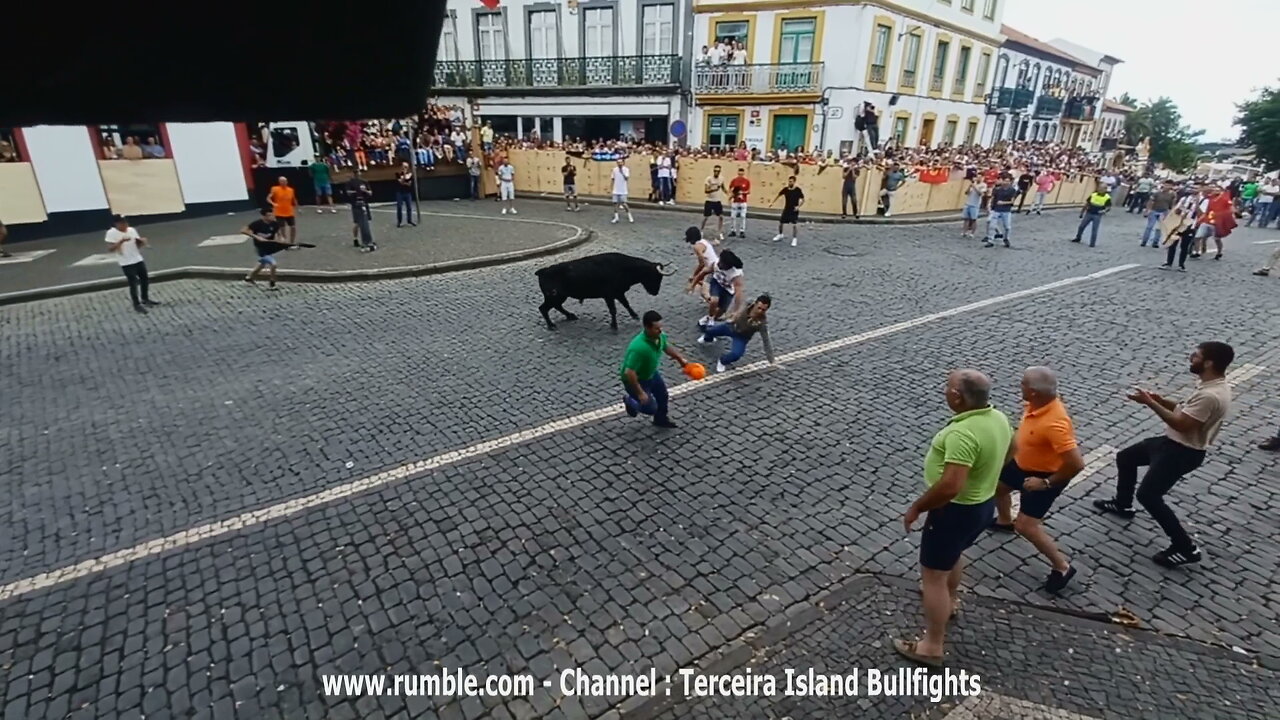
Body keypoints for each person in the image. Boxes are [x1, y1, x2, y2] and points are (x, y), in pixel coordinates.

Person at [897, 370, 1012, 666]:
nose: (944, 391)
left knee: (933, 576)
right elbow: (1013, 450)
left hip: (954, 511)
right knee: (953, 556)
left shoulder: (962, 433)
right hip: (982, 506)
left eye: (947, 388)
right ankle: (952, 601)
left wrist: (917, 508)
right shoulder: (997, 418)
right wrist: (986, 475)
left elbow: (950, 486)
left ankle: (931, 646)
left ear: (958, 397)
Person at [1093, 341, 1234, 568]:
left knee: (1149, 496)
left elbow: (1181, 424)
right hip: (1170, 444)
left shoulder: (1211, 395)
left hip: (1181, 452)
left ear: (1208, 362)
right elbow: (1184, 409)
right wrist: (1160, 400)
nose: (1191, 357)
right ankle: (1123, 504)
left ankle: (1186, 548)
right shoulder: (1210, 386)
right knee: (1126, 457)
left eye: (1195, 356)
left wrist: (1150, 404)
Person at [989, 367, 1084, 593]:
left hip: (1044, 475)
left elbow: (1076, 464)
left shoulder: (1054, 424)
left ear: (1032, 392)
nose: (1019, 386)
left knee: (1027, 526)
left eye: (1022, 384)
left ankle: (1061, 566)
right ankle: (1004, 521)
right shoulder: (1037, 405)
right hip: (1021, 463)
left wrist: (1047, 483)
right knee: (997, 488)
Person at [619, 310, 691, 429]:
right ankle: (630, 401)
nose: (660, 331)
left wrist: (680, 359)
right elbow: (629, 373)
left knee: (662, 395)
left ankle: (660, 419)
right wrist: (640, 392)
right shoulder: (639, 348)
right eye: (657, 328)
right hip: (637, 380)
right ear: (647, 328)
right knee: (649, 408)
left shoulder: (659, 336)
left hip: (651, 373)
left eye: (661, 327)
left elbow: (665, 346)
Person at [696, 294, 775, 373]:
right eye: (759, 308)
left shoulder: (762, 323)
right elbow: (738, 308)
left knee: (736, 354)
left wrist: (771, 360)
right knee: (709, 330)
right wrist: (731, 317)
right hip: (731, 326)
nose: (760, 311)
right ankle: (708, 338)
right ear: (755, 304)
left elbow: (766, 341)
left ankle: (722, 361)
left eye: (763, 310)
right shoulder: (748, 303)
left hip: (741, 337)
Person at [104, 215, 160, 313]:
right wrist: (121, 241)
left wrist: (142, 242)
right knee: (133, 282)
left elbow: (137, 245)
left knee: (144, 278)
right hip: (126, 262)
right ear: (117, 224)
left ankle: (145, 298)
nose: (125, 225)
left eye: (126, 223)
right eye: (122, 223)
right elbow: (110, 249)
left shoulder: (131, 230)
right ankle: (136, 303)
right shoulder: (111, 233)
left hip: (137, 258)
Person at [241, 207, 291, 291]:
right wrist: (256, 237)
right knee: (273, 264)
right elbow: (243, 230)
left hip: (269, 247)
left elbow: (279, 233)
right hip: (260, 248)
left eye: (272, 215)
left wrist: (282, 239)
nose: (272, 217)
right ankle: (272, 283)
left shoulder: (274, 224)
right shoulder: (257, 224)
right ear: (264, 216)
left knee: (262, 264)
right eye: (269, 215)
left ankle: (249, 278)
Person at [699, 250, 744, 325]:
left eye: (721, 264)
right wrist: (693, 283)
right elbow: (705, 272)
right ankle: (710, 318)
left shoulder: (736, 275)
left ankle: (710, 318)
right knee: (714, 300)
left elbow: (738, 293)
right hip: (717, 282)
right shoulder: (716, 263)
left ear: (727, 266)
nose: (719, 265)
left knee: (721, 310)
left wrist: (736, 311)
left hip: (728, 290)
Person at [684, 226, 719, 314]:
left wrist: (694, 275)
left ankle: (716, 309)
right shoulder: (704, 242)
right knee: (703, 284)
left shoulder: (697, 247)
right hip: (716, 266)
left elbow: (702, 264)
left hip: (712, 269)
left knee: (704, 292)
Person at [1071, 182, 1111, 247]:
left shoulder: (1107, 197)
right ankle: (1078, 237)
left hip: (1097, 215)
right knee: (1081, 226)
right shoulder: (1093, 194)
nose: (1100, 189)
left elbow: (1108, 207)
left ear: (1105, 189)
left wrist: (1104, 211)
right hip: (1089, 213)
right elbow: (1087, 204)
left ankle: (1092, 243)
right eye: (1099, 188)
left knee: (1094, 230)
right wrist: (1082, 212)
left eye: (1102, 188)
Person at [346, 168, 376, 252]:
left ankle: (368, 239)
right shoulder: (350, 182)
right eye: (355, 172)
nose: (357, 174)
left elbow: (370, 193)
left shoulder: (364, 182)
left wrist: (365, 191)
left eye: (358, 172)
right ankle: (356, 238)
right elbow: (348, 192)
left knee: (365, 222)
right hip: (356, 204)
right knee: (357, 223)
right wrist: (356, 191)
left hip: (364, 203)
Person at [770, 176, 805, 247]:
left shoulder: (798, 190)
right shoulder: (786, 189)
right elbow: (778, 195)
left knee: (794, 225)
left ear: (794, 182)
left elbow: (803, 200)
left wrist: (798, 207)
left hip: (794, 209)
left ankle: (794, 239)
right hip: (787, 209)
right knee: (781, 223)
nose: (790, 183)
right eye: (789, 181)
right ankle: (780, 234)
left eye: (791, 181)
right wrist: (772, 202)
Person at [983, 174, 1017, 249]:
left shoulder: (1012, 190)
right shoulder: (997, 189)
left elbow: (1012, 202)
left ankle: (1006, 238)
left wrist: (1003, 202)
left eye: (1008, 181)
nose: (1006, 182)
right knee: (992, 225)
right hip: (996, 209)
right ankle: (990, 240)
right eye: (1005, 181)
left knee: (1007, 227)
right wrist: (990, 205)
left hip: (1006, 210)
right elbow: (993, 198)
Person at [1141, 181, 1177, 248]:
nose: (1167, 187)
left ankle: (1155, 242)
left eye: (1169, 185)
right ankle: (1144, 241)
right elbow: (1151, 201)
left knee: (1159, 228)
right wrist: (1148, 210)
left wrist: (1171, 212)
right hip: (1154, 210)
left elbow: (1172, 204)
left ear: (1171, 186)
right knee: (1149, 226)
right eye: (1166, 185)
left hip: (1164, 211)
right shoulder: (1157, 193)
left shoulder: (1173, 195)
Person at [267, 177, 298, 244]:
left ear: (287, 181)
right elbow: (268, 198)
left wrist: (298, 207)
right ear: (279, 182)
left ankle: (292, 242)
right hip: (279, 212)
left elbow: (294, 199)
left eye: (285, 181)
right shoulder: (275, 189)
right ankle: (285, 242)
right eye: (281, 181)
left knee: (293, 227)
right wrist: (273, 203)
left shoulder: (291, 190)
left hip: (289, 212)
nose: (283, 182)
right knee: (282, 228)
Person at [701, 165, 727, 242]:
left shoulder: (721, 179)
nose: (716, 172)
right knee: (706, 217)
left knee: (721, 217)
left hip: (717, 200)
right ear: (713, 171)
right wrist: (714, 189)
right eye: (715, 171)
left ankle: (719, 232)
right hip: (709, 200)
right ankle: (701, 230)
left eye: (718, 171)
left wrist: (728, 193)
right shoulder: (709, 179)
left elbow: (723, 187)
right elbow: (706, 190)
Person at [960, 172, 985, 239]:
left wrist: (974, 187)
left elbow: (980, 194)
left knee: (974, 219)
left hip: (975, 204)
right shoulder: (973, 184)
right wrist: (969, 187)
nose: (978, 178)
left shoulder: (983, 185)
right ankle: (964, 232)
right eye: (977, 177)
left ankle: (972, 233)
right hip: (968, 203)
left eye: (979, 177)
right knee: (966, 219)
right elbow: (966, 193)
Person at [728, 167, 750, 239]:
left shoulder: (746, 181)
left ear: (743, 173)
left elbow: (748, 191)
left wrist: (742, 192)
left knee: (743, 216)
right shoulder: (734, 180)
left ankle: (742, 231)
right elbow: (730, 189)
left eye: (742, 173)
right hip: (735, 201)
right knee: (733, 216)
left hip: (743, 201)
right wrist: (733, 194)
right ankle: (733, 230)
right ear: (738, 173)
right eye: (739, 173)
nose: (740, 174)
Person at [610, 158, 633, 224]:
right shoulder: (614, 170)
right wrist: (611, 187)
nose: (619, 164)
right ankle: (616, 217)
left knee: (624, 203)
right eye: (618, 162)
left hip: (623, 189)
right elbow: (612, 179)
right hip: (616, 189)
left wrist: (622, 172)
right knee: (615, 204)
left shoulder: (626, 169)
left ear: (623, 163)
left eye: (621, 162)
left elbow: (626, 178)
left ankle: (629, 215)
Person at [395, 162, 417, 227]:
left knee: (409, 207)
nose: (405, 168)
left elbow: (409, 184)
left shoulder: (410, 174)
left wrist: (404, 181)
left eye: (406, 167)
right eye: (404, 167)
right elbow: (401, 182)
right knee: (399, 207)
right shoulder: (397, 174)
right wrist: (404, 176)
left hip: (407, 192)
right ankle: (399, 221)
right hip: (399, 192)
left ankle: (409, 220)